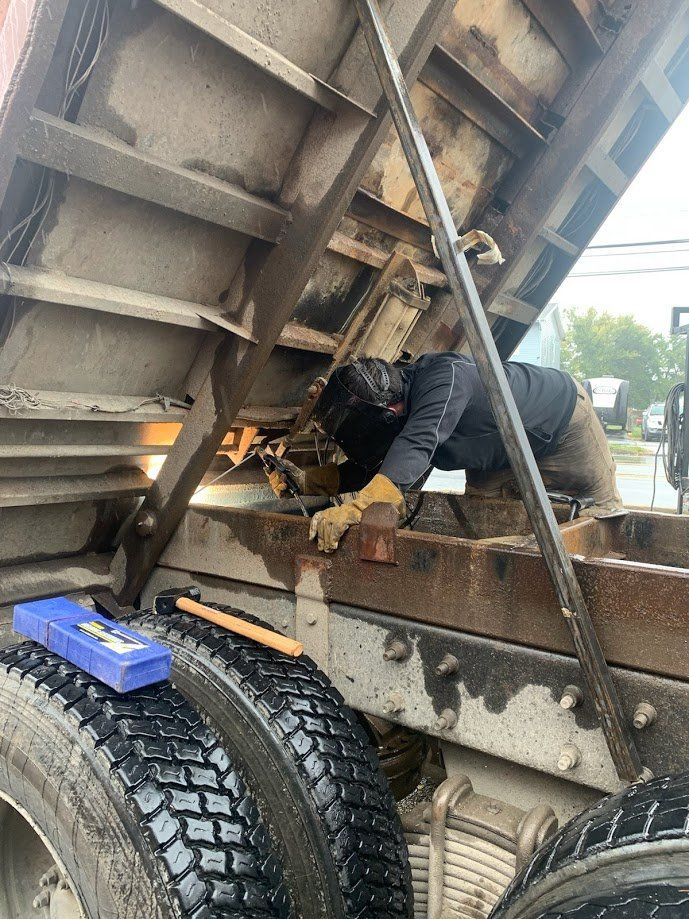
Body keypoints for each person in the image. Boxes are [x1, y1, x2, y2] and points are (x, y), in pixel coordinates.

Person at [266, 353, 624, 553]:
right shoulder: (397, 408)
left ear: (387, 412)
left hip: (561, 423)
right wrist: (309, 481)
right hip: (496, 450)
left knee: (597, 520)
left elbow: (416, 446)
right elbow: (380, 468)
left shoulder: (445, 378)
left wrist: (357, 509)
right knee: (487, 533)